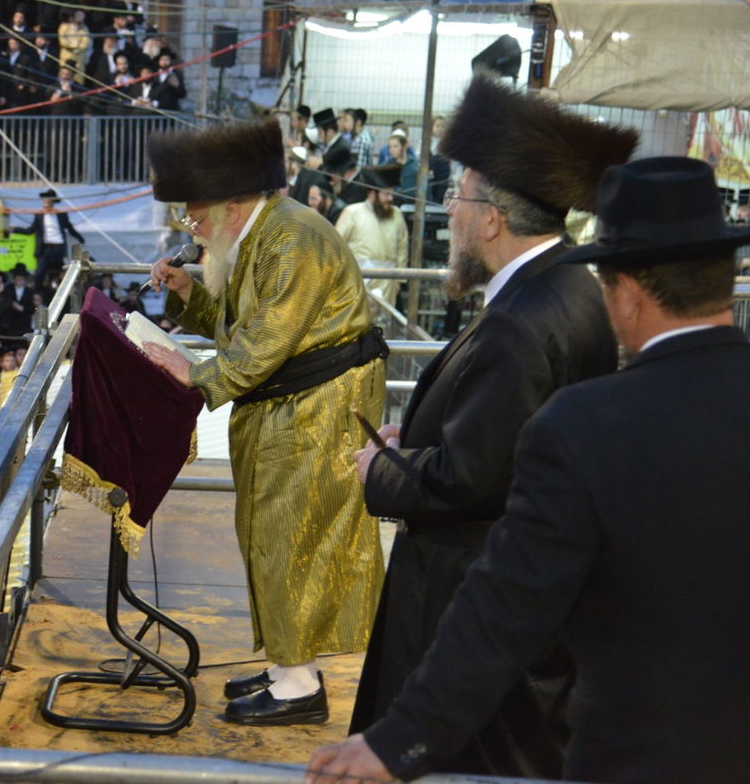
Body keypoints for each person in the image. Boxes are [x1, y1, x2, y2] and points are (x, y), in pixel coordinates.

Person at [310, 155, 750, 783]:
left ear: (624, 290)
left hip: (629, 752)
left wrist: (399, 741)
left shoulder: (586, 426)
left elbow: (505, 607)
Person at [346, 73, 636, 776]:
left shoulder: (519, 322)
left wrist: (382, 468)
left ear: (492, 218)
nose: (448, 214)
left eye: (457, 196)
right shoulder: (572, 286)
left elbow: (472, 479)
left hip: (469, 606)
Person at [141, 120, 387, 726]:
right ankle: (286, 665)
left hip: (317, 410)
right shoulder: (262, 234)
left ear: (231, 201)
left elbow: (268, 335)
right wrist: (185, 294)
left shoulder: (292, 238)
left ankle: (299, 686)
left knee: (291, 537)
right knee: (269, 533)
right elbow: (238, 319)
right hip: (289, 406)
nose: (189, 226)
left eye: (193, 214)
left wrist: (194, 376)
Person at [334, 167, 408, 308]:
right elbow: (336, 246)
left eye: (392, 194)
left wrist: (399, 280)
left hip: (389, 281)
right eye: (386, 194)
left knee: (384, 324)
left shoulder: (397, 214)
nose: (390, 198)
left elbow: (402, 248)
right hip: (358, 279)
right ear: (373, 193)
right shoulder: (352, 212)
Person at [13, 188, 85, 292]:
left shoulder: (61, 215)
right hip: (45, 248)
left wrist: (80, 239)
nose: (46, 204)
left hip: (58, 247)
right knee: (39, 273)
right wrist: (15, 229)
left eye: (48, 201)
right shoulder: (39, 215)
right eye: (45, 202)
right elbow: (30, 230)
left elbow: (70, 228)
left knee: (62, 273)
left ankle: (64, 292)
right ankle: (38, 294)